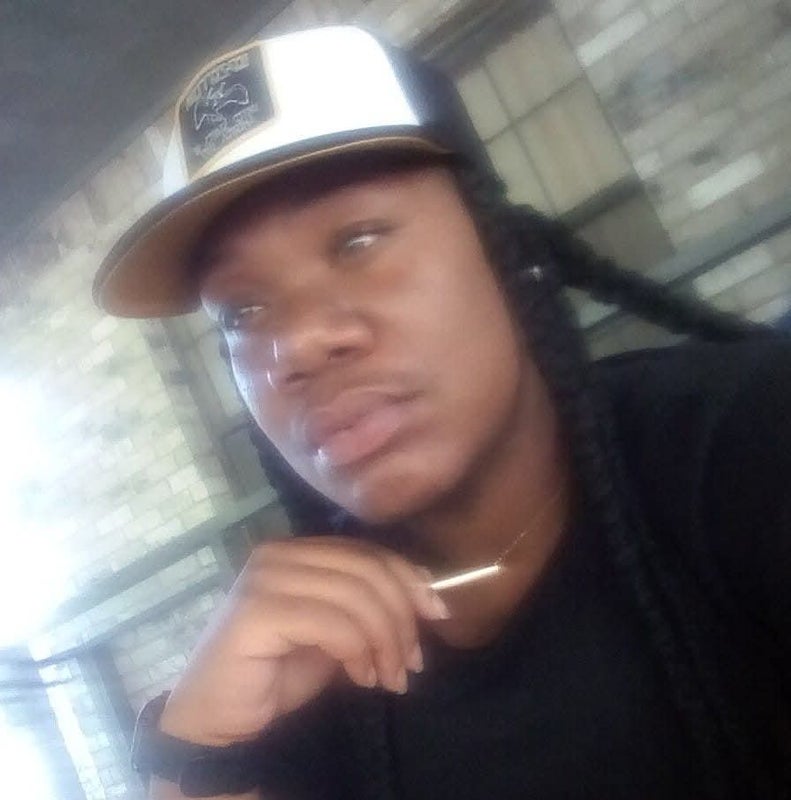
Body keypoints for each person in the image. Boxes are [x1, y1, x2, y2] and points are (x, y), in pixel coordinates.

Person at [94, 26, 791, 800]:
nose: (295, 345)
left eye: (357, 241)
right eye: (241, 312)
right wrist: (197, 757)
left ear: (503, 251)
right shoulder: (300, 670)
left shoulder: (745, 440)